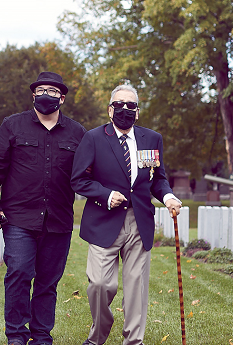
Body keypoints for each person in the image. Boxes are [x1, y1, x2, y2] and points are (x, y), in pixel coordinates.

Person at [0, 71, 86, 345]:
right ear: (33, 95)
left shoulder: (77, 132)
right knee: (18, 274)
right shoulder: (13, 126)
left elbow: (89, 173)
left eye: (52, 91)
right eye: (40, 90)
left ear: (61, 98)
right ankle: (16, 337)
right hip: (18, 219)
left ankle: (41, 337)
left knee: (48, 283)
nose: (45, 95)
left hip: (59, 221)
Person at [70, 84, 181, 345]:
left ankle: (134, 341)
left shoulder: (151, 139)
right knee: (99, 285)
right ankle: (97, 336)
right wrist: (106, 195)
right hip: (103, 220)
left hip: (139, 220)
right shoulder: (94, 138)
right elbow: (78, 180)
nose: (125, 109)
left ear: (138, 112)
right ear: (110, 110)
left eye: (130, 105)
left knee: (136, 288)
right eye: (119, 104)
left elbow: (158, 179)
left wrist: (168, 196)